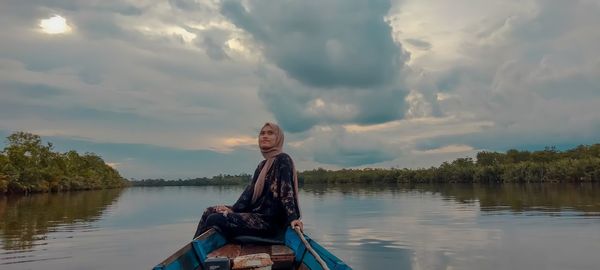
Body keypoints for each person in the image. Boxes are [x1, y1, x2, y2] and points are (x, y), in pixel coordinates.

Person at [193, 122, 302, 239]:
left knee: (215, 218)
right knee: (209, 212)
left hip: (271, 223)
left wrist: (293, 218)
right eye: (262, 133)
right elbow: (248, 194)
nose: (265, 136)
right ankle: (193, 248)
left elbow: (286, 192)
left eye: (270, 133)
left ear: (279, 138)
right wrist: (232, 209)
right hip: (256, 216)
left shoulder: (283, 159)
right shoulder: (262, 166)